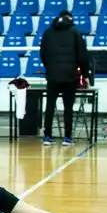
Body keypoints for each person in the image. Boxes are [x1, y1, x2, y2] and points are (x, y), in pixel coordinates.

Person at [39, 10, 90, 146]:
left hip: (52, 74)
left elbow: (43, 53)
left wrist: (49, 66)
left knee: (50, 106)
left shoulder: (48, 32)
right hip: (69, 75)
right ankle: (67, 137)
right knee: (68, 107)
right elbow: (82, 55)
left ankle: (47, 136)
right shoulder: (75, 32)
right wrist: (85, 74)